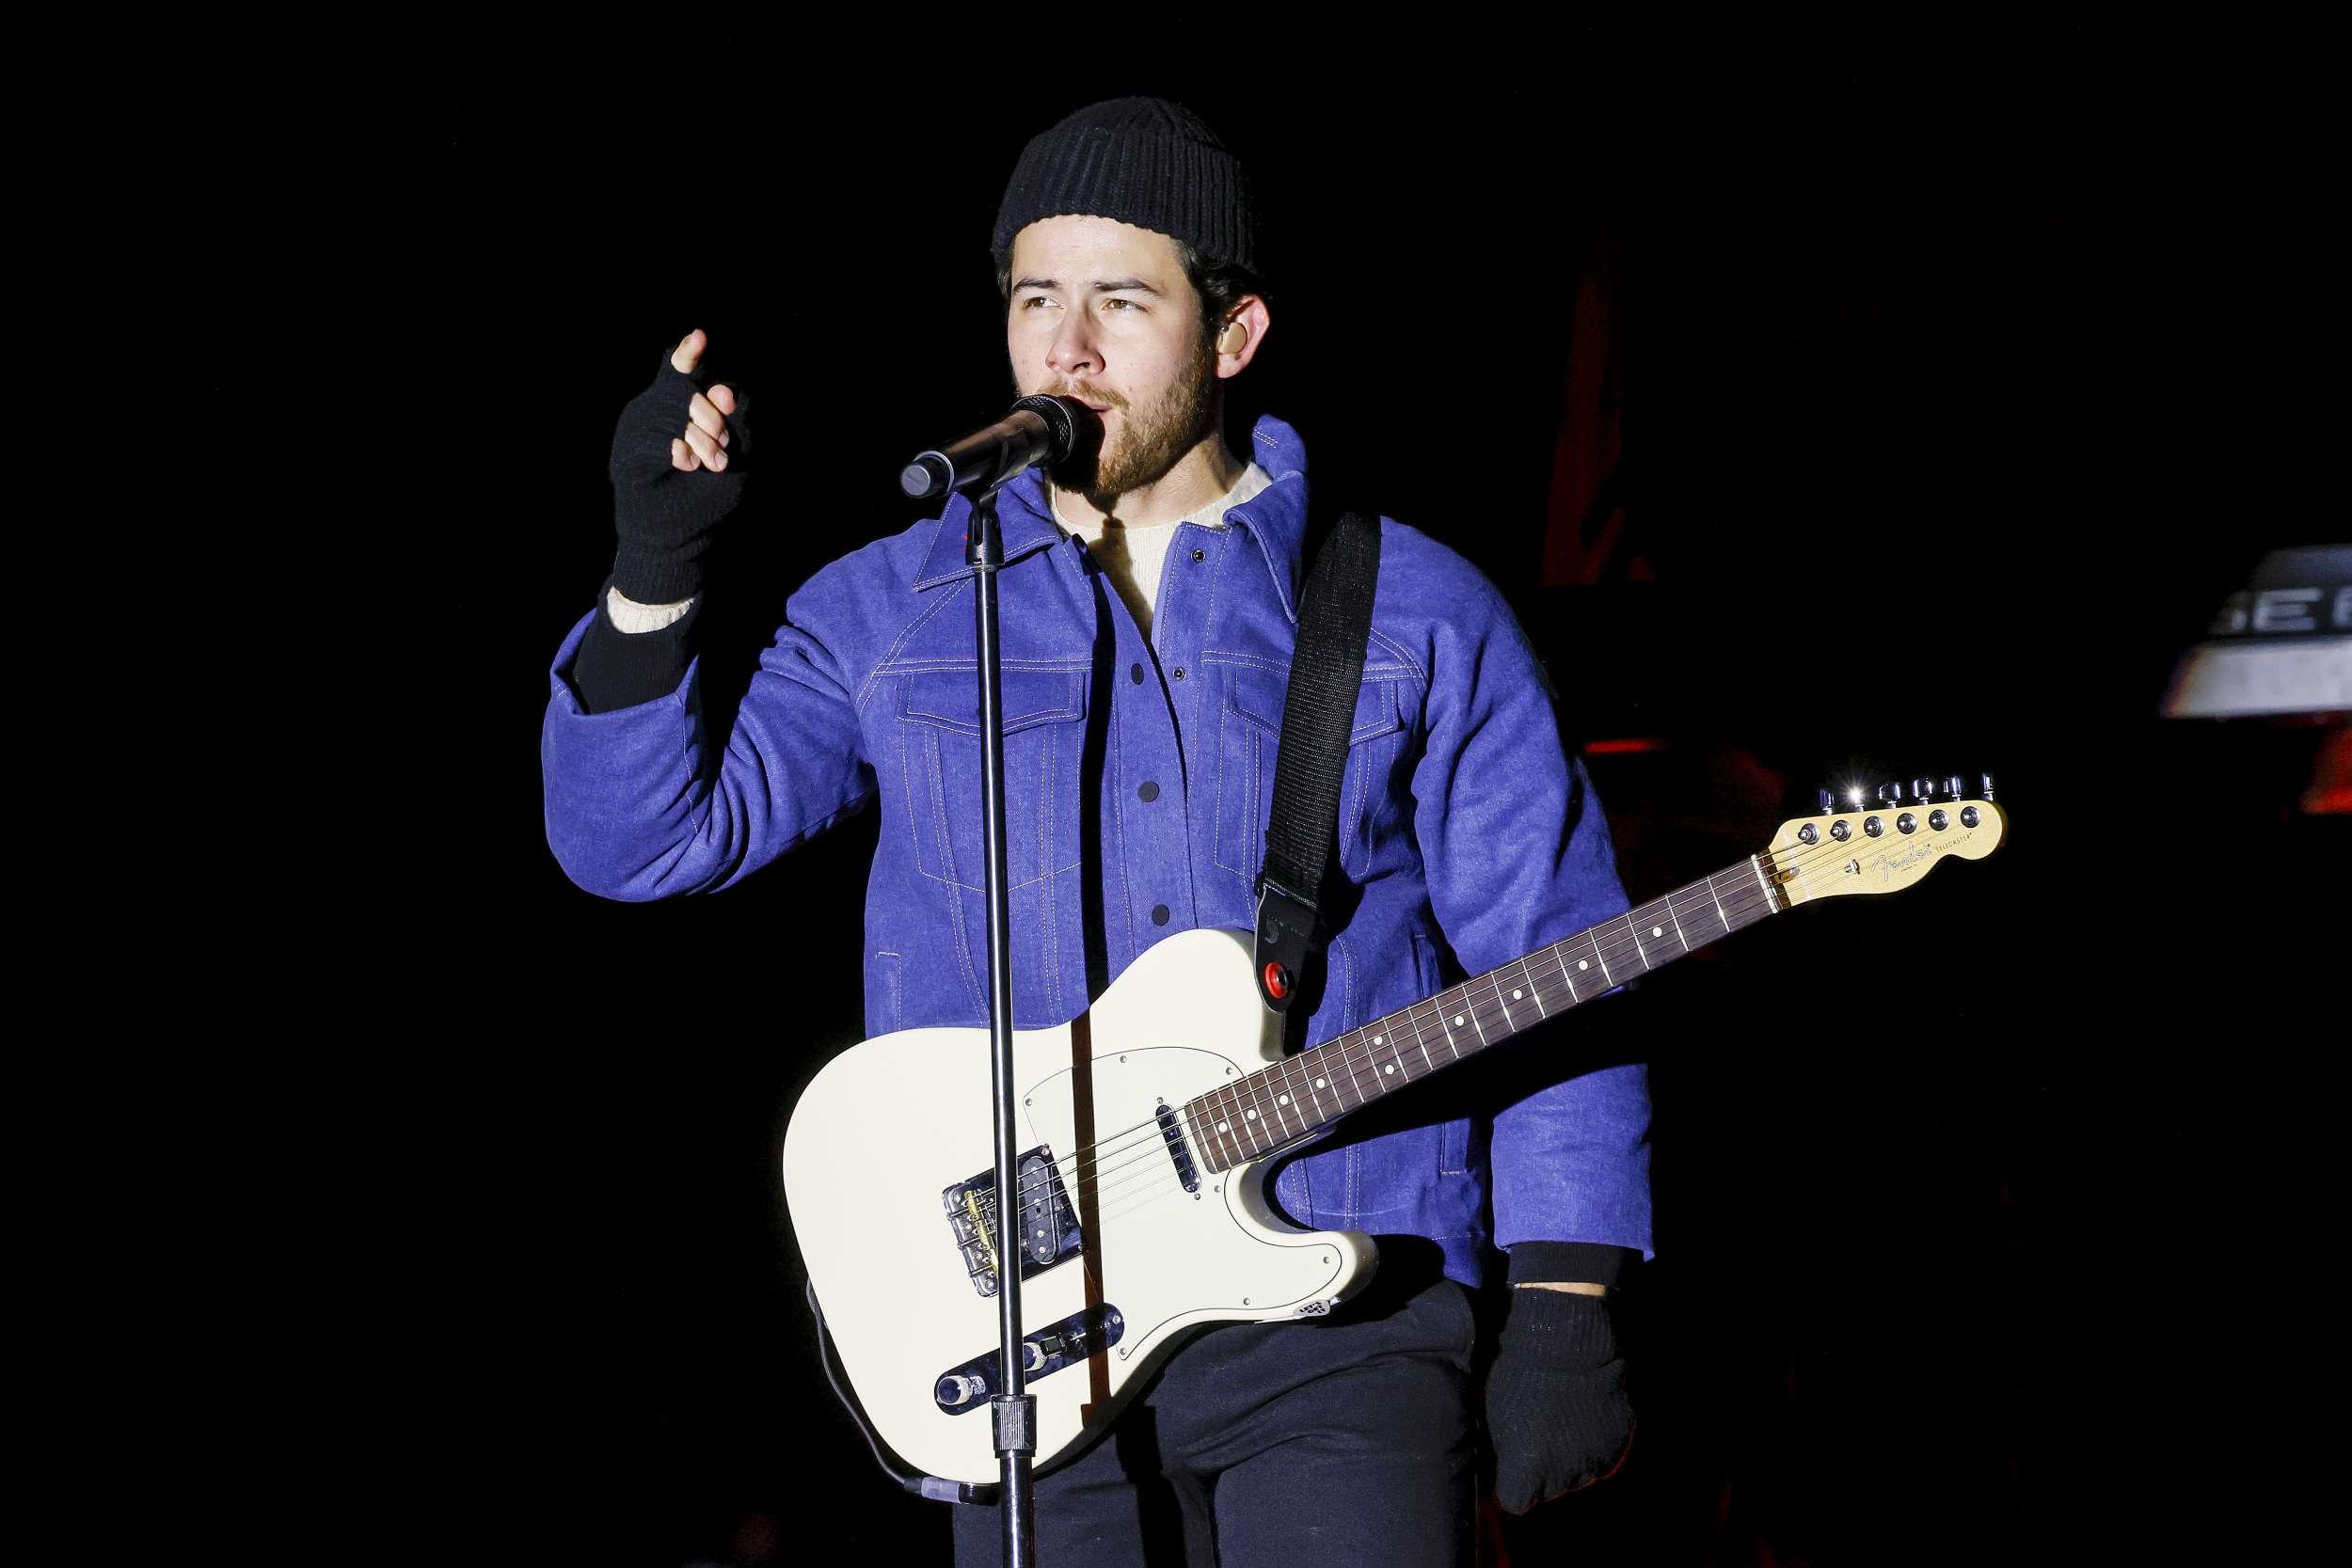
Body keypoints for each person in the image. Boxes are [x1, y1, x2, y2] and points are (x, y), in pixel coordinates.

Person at [543, 98, 1650, 1568]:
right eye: (1033, 300)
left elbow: (1561, 953)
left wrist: (1568, 1296)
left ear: (1234, 334)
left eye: (1120, 302)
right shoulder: (895, 607)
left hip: (1348, 1301)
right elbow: (643, 843)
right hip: (1026, 1336)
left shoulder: (1414, 609)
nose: (1065, 351)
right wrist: (651, 574)